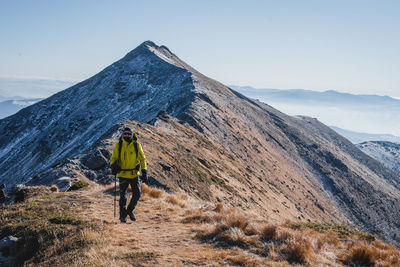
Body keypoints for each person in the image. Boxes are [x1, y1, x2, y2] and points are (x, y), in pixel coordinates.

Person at [110, 127, 147, 223]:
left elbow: (142, 159)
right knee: (123, 196)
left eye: (129, 134)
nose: (127, 135)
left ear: (132, 135)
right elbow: (113, 158)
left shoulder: (136, 145)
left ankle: (129, 211)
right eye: (125, 134)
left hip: (134, 174)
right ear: (123, 134)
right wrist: (113, 167)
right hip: (122, 174)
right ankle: (123, 216)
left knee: (137, 194)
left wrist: (144, 171)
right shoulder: (119, 145)